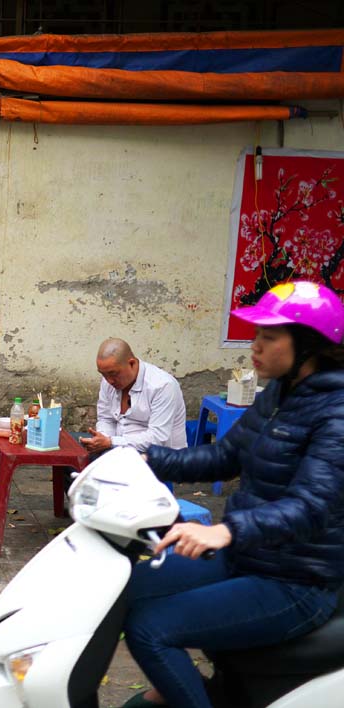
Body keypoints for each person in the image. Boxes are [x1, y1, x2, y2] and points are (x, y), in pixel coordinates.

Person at [121, 280, 344, 708]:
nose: (254, 346)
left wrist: (226, 531)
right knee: (123, 588)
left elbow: (312, 506)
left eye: (269, 336)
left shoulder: (335, 411)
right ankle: (191, 687)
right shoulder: (282, 392)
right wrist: (148, 460)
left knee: (151, 627)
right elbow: (226, 455)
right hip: (250, 556)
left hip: (295, 581)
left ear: (309, 346)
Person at [81, 338, 187, 455]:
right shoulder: (108, 381)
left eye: (113, 373)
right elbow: (106, 419)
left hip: (159, 460)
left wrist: (110, 442)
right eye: (103, 374)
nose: (109, 380)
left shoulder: (163, 386)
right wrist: (101, 441)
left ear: (132, 363)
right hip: (118, 452)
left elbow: (158, 438)